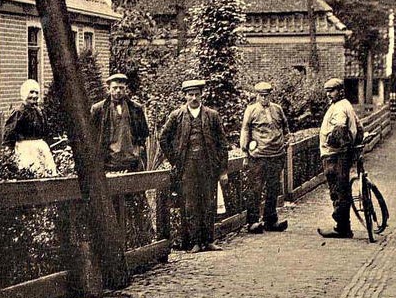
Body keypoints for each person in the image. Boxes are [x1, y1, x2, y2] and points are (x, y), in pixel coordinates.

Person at [159, 79, 229, 253]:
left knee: (208, 203)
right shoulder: (177, 115)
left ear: (201, 95)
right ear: (185, 96)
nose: (194, 98)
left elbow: (222, 143)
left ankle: (209, 240)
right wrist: (175, 159)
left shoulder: (212, 115)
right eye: (190, 95)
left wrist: (223, 170)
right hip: (187, 167)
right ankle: (194, 242)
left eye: (197, 94)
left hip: (208, 166)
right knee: (190, 204)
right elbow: (163, 138)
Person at [239, 81, 290, 234]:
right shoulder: (251, 110)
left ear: (270, 95)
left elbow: (285, 128)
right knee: (255, 188)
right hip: (258, 156)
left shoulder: (278, 109)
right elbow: (245, 130)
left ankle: (270, 220)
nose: (264, 98)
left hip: (276, 155)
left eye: (266, 95)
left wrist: (285, 142)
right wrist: (245, 151)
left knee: (273, 188)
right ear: (256, 95)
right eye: (261, 95)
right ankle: (253, 222)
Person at [317, 77, 362, 238]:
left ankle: (342, 227)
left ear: (341, 91)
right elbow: (359, 126)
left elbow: (340, 129)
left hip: (334, 155)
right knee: (341, 188)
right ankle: (343, 225)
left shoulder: (339, 108)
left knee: (337, 189)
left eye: (332, 91)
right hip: (341, 154)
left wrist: (332, 143)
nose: (329, 94)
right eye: (327, 91)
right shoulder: (345, 105)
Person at [90, 73, 149, 172]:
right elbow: (92, 134)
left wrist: (139, 150)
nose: (118, 91)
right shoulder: (98, 109)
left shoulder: (136, 108)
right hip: (108, 161)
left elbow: (144, 133)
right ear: (109, 89)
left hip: (131, 160)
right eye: (115, 87)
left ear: (126, 89)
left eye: (121, 88)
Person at [3, 79, 57, 176]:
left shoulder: (39, 112)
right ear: (24, 93)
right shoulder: (19, 112)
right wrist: (9, 152)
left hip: (40, 148)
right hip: (25, 149)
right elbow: (9, 133)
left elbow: (45, 132)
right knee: (30, 173)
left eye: (36, 93)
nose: (34, 96)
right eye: (31, 92)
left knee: (46, 174)